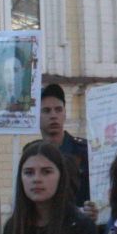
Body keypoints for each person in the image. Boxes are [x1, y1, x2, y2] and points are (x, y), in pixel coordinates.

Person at [40, 83, 94, 211]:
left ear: (65, 114)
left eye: (58, 109)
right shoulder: (34, 155)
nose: (53, 115)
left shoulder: (85, 151)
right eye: (46, 110)